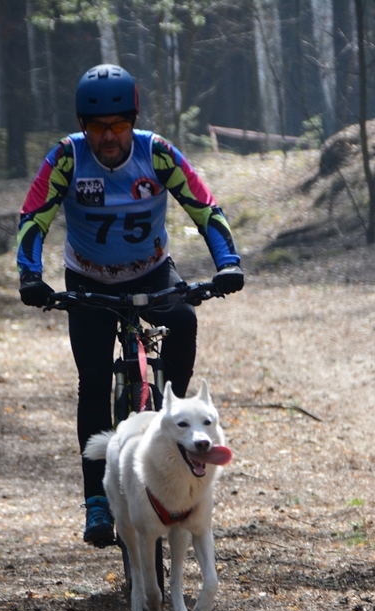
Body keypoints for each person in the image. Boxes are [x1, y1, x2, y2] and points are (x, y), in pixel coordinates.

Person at [16, 64, 244, 548]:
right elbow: (34, 216)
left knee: (183, 319)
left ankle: (169, 411)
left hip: (151, 270)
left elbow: (204, 207)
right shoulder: (66, 158)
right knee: (95, 379)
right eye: (97, 127)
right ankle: (96, 501)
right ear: (83, 126)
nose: (108, 136)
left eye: (118, 125)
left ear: (133, 121)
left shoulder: (156, 154)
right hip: (88, 279)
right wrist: (30, 275)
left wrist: (228, 263)